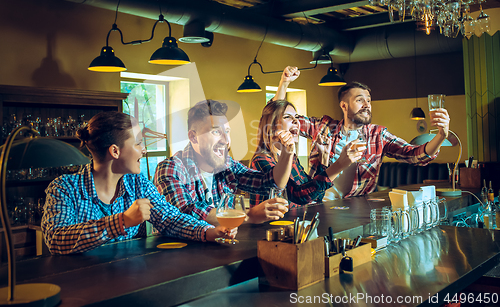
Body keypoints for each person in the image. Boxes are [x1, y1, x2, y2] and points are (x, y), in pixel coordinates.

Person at [42, 111, 235, 255]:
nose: (143, 150)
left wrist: (208, 232)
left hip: (129, 282)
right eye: (138, 143)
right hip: (82, 288)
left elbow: (170, 219)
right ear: (115, 151)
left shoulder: (138, 185)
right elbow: (56, 239)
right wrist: (121, 221)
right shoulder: (64, 188)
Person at [273, 66, 451, 198]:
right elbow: (278, 118)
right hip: (318, 205)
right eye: (360, 100)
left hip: (356, 209)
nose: (367, 105)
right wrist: (284, 83)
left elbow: (414, 155)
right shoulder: (324, 127)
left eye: (369, 100)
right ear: (344, 105)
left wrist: (441, 135)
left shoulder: (378, 135)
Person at [154, 99, 301, 225]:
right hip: (178, 254)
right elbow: (186, 212)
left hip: (220, 251)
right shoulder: (171, 168)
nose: (226, 140)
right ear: (193, 137)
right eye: (216, 132)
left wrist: (288, 152)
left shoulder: (227, 165)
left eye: (227, 132)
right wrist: (248, 215)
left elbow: (270, 182)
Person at [250, 99, 350, 208]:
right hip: (270, 225)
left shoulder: (292, 158)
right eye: (287, 117)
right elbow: (298, 196)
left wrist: (323, 158)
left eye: (296, 117)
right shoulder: (261, 161)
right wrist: (339, 165)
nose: (296, 121)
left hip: (292, 223)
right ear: (271, 125)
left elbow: (315, 196)